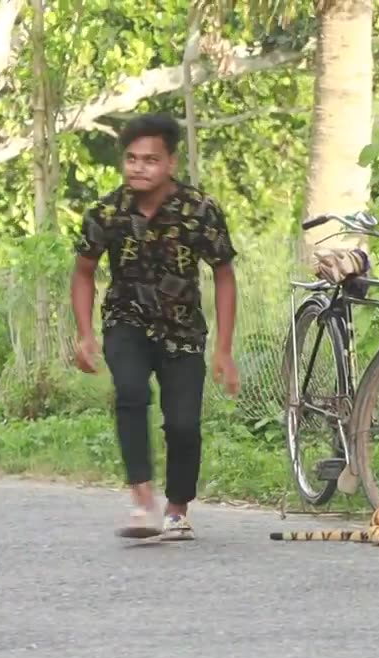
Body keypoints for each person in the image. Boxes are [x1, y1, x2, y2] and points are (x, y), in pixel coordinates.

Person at [70, 112, 240, 541]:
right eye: (131, 159)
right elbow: (84, 271)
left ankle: (177, 508)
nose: (138, 168)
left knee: (183, 424)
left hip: (182, 331)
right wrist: (86, 333)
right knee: (130, 392)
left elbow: (223, 273)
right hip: (126, 321)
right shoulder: (106, 213)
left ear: (170, 164)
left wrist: (223, 349)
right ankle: (142, 500)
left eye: (149, 160)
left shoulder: (200, 211)